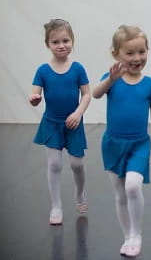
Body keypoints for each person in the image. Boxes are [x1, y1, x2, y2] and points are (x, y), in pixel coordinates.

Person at [92, 25, 151, 257]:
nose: (137, 58)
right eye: (130, 53)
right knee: (121, 193)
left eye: (141, 52)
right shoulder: (112, 79)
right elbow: (95, 93)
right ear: (117, 55)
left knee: (132, 185)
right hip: (113, 144)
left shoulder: (150, 85)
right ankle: (127, 236)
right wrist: (110, 80)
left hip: (139, 144)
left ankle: (137, 234)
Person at [30, 19, 91, 226]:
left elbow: (87, 94)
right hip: (52, 123)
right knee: (54, 164)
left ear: (72, 41)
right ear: (48, 44)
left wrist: (78, 113)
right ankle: (56, 205)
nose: (61, 45)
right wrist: (34, 98)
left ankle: (80, 193)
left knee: (77, 163)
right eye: (56, 42)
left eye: (65, 40)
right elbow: (35, 92)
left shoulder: (77, 68)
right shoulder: (43, 70)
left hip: (73, 123)